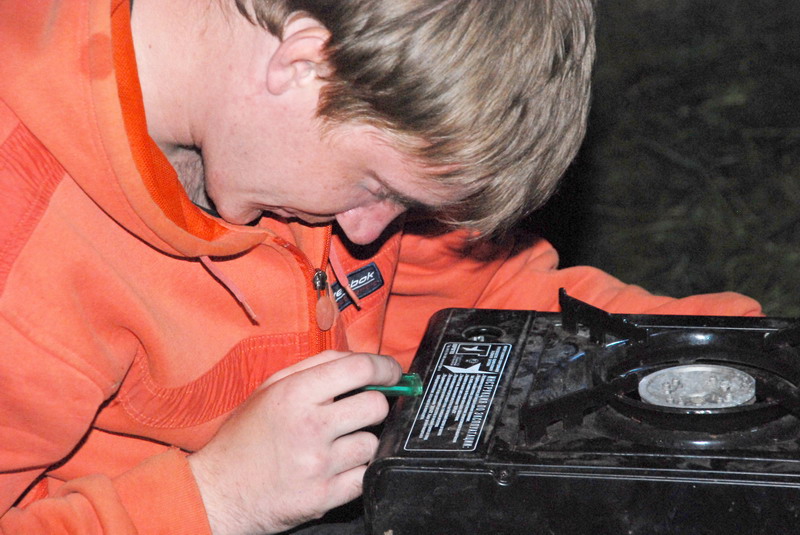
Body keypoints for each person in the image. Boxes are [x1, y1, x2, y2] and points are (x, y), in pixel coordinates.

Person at [0, 0, 761, 533]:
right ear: (303, 63)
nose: (369, 232)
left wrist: (717, 353)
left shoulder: (311, 129)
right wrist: (215, 499)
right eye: (377, 188)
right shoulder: (24, 245)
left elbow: (484, 297)